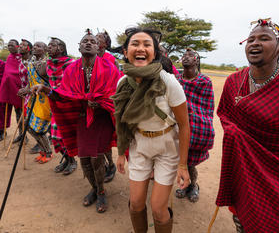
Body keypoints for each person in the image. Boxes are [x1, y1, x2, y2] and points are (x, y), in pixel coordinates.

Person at [216, 19, 279, 233]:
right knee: (243, 222)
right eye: (251, 39)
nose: (255, 43)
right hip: (245, 170)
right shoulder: (234, 81)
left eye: (264, 38)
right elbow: (225, 115)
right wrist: (238, 136)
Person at [32, 31, 121, 213]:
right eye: (84, 41)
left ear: (99, 47)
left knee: (96, 159)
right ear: (79, 47)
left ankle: (102, 192)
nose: (88, 43)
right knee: (85, 161)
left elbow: (118, 95)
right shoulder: (71, 69)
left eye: (93, 41)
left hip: (101, 119)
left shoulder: (110, 68)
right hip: (82, 119)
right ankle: (94, 188)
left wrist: (102, 102)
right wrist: (44, 89)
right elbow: (64, 95)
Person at [112, 27, 190, 233]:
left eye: (147, 45)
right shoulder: (122, 83)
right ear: (125, 50)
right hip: (139, 145)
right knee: (136, 203)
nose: (141, 48)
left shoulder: (168, 82)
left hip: (167, 147)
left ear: (155, 53)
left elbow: (184, 124)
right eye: (135, 44)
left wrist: (183, 165)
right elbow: (121, 120)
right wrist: (121, 152)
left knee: (158, 208)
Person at [175, 48, 214, 202]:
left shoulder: (205, 82)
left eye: (191, 56)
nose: (186, 57)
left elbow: (207, 109)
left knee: (190, 163)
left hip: (195, 130)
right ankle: (184, 185)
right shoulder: (176, 80)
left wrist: (190, 114)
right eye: (184, 55)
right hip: (178, 128)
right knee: (180, 160)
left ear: (197, 61)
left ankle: (193, 186)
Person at [46, 37, 77, 174]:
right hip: (54, 103)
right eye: (48, 45)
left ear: (61, 48)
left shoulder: (71, 63)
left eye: (53, 45)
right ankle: (68, 160)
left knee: (65, 135)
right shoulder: (48, 65)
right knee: (55, 136)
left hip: (68, 104)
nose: (49, 47)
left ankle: (72, 161)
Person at [18, 42, 52, 163]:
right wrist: (25, 90)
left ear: (45, 50)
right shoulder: (31, 64)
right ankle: (42, 150)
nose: (35, 48)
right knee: (29, 127)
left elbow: (51, 84)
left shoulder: (47, 64)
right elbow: (31, 82)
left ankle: (48, 152)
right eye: (34, 46)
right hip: (33, 100)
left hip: (45, 102)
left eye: (39, 46)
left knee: (39, 129)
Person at [96, 29, 118, 183]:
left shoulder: (111, 59)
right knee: (96, 138)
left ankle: (110, 164)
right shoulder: (88, 58)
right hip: (92, 104)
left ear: (106, 43)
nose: (95, 40)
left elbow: (117, 81)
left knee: (105, 139)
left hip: (107, 104)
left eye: (99, 38)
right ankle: (102, 164)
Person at [0, 39, 24, 142]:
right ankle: (21, 136)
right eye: (8, 45)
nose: (9, 47)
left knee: (20, 113)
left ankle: (22, 135)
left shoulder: (22, 58)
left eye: (12, 45)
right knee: (9, 112)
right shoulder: (9, 58)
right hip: (8, 90)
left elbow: (20, 74)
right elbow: (7, 75)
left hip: (19, 90)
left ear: (18, 46)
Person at [0, 59, 11, 141]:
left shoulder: (3, 64)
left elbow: (6, 77)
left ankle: (2, 131)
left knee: (1, 113)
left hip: (1, 91)